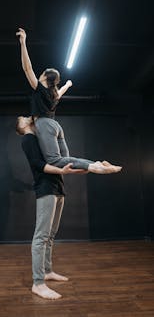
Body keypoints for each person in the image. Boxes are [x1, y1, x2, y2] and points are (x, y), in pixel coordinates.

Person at [16, 28, 122, 174]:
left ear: (45, 78)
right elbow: (60, 92)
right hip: (55, 126)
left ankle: (95, 167)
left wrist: (23, 43)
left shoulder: (39, 88)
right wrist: (68, 84)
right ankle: (96, 164)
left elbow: (27, 68)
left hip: (44, 124)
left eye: (41, 74)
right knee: (67, 162)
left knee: (54, 160)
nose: (38, 75)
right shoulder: (53, 94)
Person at [16, 115, 88, 300]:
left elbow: (57, 160)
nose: (26, 116)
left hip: (57, 187)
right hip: (46, 189)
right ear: (21, 126)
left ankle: (47, 271)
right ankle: (38, 283)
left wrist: (74, 169)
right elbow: (39, 165)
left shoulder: (39, 137)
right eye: (22, 117)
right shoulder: (28, 138)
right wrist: (62, 171)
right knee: (41, 237)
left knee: (51, 234)